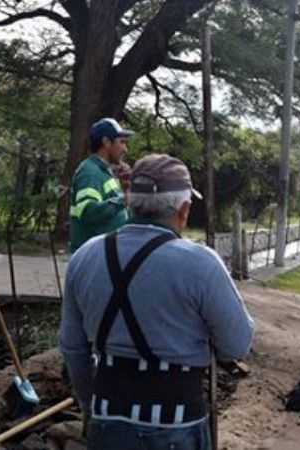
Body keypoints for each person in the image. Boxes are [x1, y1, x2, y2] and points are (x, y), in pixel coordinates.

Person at [60, 154, 254, 450]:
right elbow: (237, 344)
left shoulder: (85, 256)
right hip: (176, 425)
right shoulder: (200, 264)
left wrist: (89, 404)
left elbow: (73, 347)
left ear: (129, 201)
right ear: (184, 209)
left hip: (107, 421)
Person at [69, 118, 134, 252]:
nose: (125, 149)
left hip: (104, 255)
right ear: (106, 142)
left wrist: (125, 188)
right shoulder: (90, 172)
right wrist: (123, 200)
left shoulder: (104, 172)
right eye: (122, 143)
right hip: (93, 257)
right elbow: (88, 212)